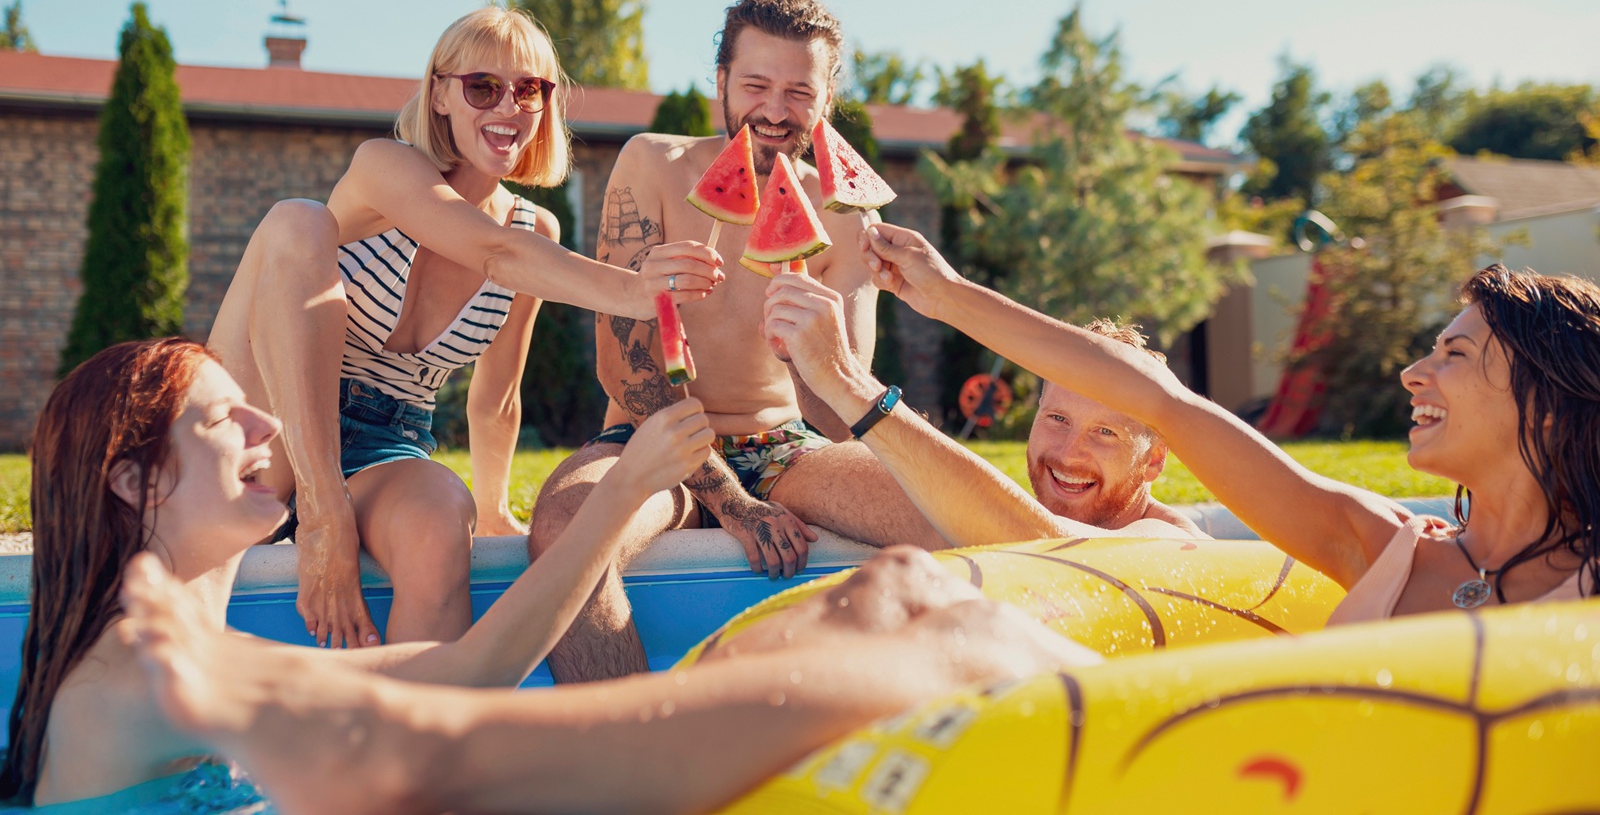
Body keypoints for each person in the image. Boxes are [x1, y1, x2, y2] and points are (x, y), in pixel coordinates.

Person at [0, 337, 1083, 810]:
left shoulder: (173, 664)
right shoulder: (128, 681)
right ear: (135, 482)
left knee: (870, 611)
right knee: (897, 608)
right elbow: (473, 681)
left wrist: (620, 496)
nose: (268, 422)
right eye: (218, 417)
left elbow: (479, 665)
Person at [207, 6, 721, 648]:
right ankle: (317, 513)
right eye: (483, 86)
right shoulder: (382, 166)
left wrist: (494, 505)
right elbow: (490, 251)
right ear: (441, 94)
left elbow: (497, 395)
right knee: (297, 220)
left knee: (439, 523)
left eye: (529, 89)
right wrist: (636, 290)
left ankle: (418, 735)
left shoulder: (535, 233)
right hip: (261, 411)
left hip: (384, 439)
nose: (508, 106)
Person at [855, 221, 1597, 616]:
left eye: (1456, 355)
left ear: (1546, 401)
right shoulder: (1376, 547)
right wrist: (946, 296)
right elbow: (1159, 400)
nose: (1413, 372)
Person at [529, 0, 944, 682]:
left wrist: (814, 356)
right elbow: (622, 375)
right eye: (756, 85)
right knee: (565, 528)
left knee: (947, 511)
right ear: (719, 82)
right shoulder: (650, 166)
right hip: (648, 438)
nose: (775, 111)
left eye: (798, 93)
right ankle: (630, 755)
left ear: (825, 101)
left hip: (784, 449)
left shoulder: (845, 215)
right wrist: (733, 504)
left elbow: (837, 419)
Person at [760, 273, 1203, 542]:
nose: (1068, 455)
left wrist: (844, 379)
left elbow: (1047, 546)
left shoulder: (1171, 540)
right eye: (1057, 419)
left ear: (1154, 461)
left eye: (1105, 433)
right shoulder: (1009, 510)